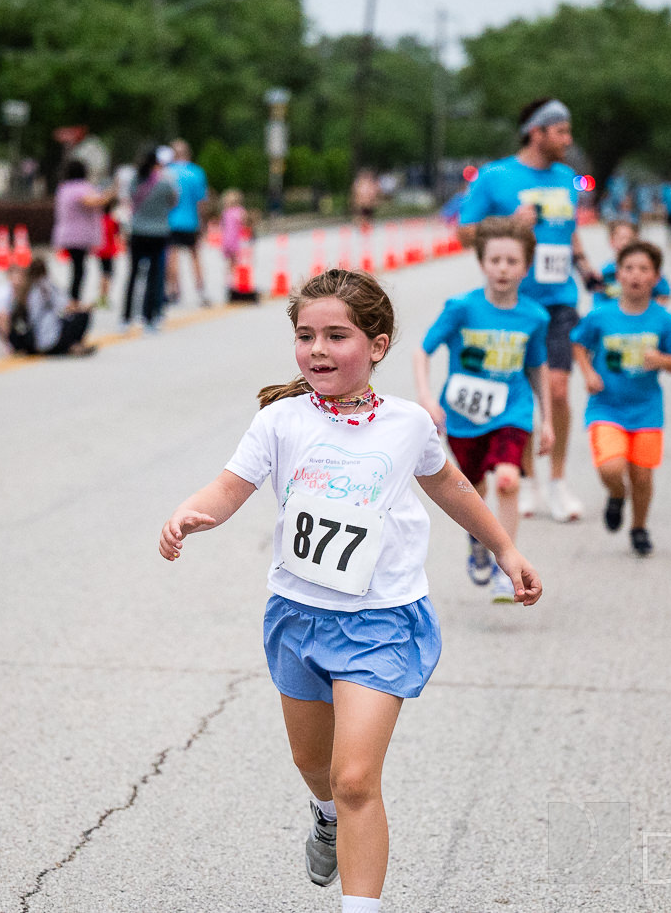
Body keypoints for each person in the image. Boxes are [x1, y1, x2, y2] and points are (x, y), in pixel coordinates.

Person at [159, 269, 541, 913]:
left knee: (357, 776)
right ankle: (323, 814)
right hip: (298, 618)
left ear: (378, 345)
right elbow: (228, 489)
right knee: (318, 768)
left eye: (337, 336)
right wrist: (191, 513)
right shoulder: (281, 420)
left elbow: (451, 485)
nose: (318, 349)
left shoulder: (408, 423)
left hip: (382, 620)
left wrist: (504, 547)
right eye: (306, 335)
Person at [456, 97, 600, 523]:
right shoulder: (495, 176)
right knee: (520, 390)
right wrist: (507, 224)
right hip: (511, 302)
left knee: (556, 388)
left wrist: (587, 266)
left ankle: (557, 481)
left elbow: (567, 233)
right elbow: (464, 233)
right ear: (537, 132)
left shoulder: (567, 178)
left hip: (559, 300)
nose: (567, 140)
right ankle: (528, 480)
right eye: (561, 132)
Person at [413, 217, 552, 602]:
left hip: (513, 411)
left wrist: (548, 422)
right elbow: (422, 350)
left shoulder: (535, 317)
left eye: (512, 261)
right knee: (472, 488)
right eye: (495, 260)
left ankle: (506, 563)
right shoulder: (461, 308)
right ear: (481, 262)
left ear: (526, 266)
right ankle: (479, 541)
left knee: (507, 479)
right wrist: (426, 397)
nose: (503, 268)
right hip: (464, 416)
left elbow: (537, 367)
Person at [571, 241, 671, 556]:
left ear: (655, 277)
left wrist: (661, 360)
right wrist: (588, 373)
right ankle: (616, 495)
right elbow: (578, 343)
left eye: (644, 269)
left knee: (642, 474)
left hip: (647, 409)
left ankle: (638, 527)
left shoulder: (664, 320)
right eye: (629, 268)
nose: (636, 275)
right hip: (606, 406)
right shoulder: (601, 316)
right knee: (612, 468)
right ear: (618, 275)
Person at [0, 255, 94, 356]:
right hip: (49, 340)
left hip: (30, 340)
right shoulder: (45, 286)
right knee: (82, 315)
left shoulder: (25, 290)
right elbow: (66, 306)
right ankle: (73, 346)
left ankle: (13, 346)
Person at [124, 148, 179, 333]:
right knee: (154, 276)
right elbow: (173, 201)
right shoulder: (164, 183)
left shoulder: (135, 181)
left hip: (138, 231)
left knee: (133, 275)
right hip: (158, 232)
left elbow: (130, 199)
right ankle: (150, 317)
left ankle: (126, 316)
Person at [53, 158, 113, 306]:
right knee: (79, 270)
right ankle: (73, 299)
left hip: (66, 233)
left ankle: (73, 298)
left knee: (77, 268)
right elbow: (93, 202)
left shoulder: (63, 188)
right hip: (78, 236)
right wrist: (110, 194)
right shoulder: (81, 188)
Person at [163, 139, 210, 306]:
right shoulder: (196, 172)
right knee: (195, 255)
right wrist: (203, 222)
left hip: (171, 221)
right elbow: (201, 202)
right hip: (191, 221)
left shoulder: (166, 172)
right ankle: (201, 290)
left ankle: (173, 290)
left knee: (172, 256)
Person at [597, 219, 671, 304]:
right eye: (621, 238)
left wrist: (650, 312)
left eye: (629, 239)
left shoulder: (647, 269)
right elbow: (598, 301)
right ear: (612, 241)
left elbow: (664, 294)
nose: (625, 243)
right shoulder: (606, 272)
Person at [218, 188, 253, 292]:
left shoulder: (225, 212)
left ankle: (229, 281)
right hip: (236, 241)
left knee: (230, 263)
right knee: (237, 263)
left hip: (227, 241)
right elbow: (245, 222)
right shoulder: (239, 211)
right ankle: (237, 281)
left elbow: (222, 226)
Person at [94, 199, 123, 309]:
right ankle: (104, 297)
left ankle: (102, 296)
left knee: (103, 273)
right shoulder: (112, 221)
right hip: (109, 251)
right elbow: (117, 234)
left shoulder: (99, 221)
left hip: (100, 250)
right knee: (108, 274)